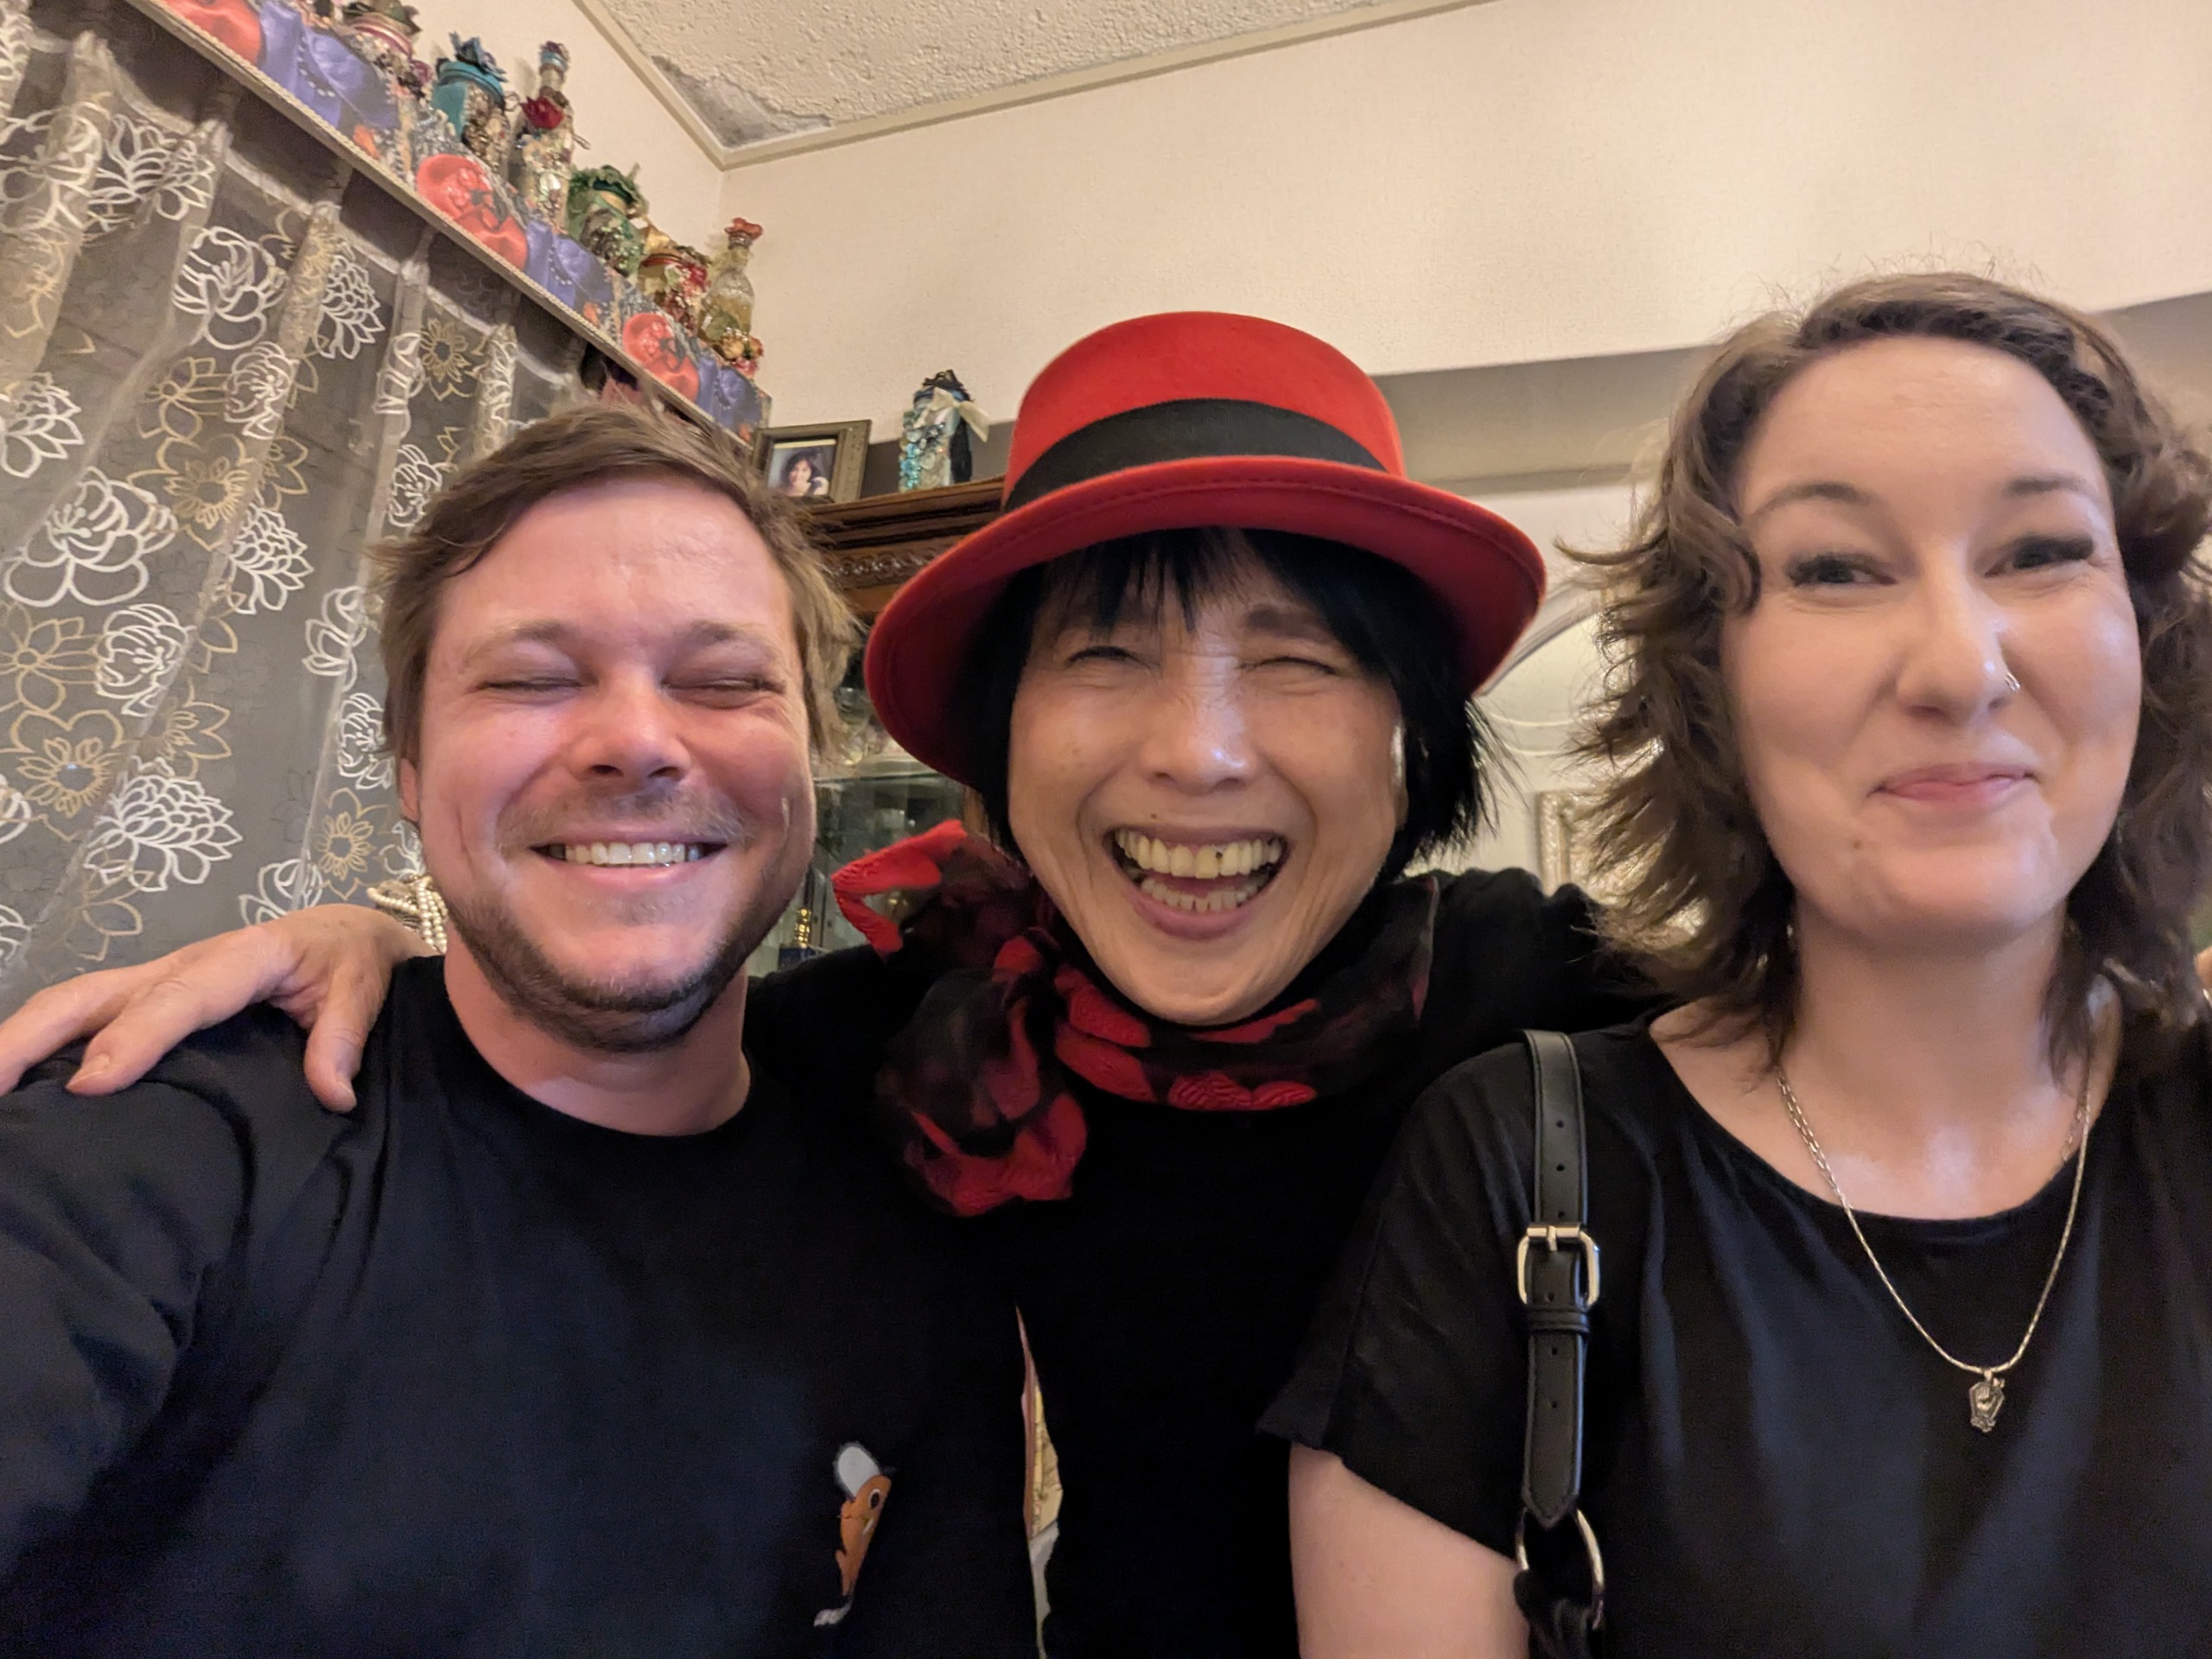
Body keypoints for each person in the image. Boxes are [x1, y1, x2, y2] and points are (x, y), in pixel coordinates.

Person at [0, 312, 1658, 1655]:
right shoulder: (921, 1054)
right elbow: (600, 1012)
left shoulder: (1574, 1017)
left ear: (1411, 736)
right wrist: (379, 937)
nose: (1199, 753)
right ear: (998, 738)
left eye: (1299, 659)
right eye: (1102, 654)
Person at [1272, 273, 2212, 1655]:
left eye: (2040, 551)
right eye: (1837, 569)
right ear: (1710, 682)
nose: (1960, 666)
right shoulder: (1517, 1178)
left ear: (2150, 637)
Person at [0, 406, 1035, 1656]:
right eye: (532, 679)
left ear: (810, 763)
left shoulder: (919, 1208)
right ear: (408, 767)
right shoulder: (152, 1151)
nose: (638, 744)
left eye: (722, 681)